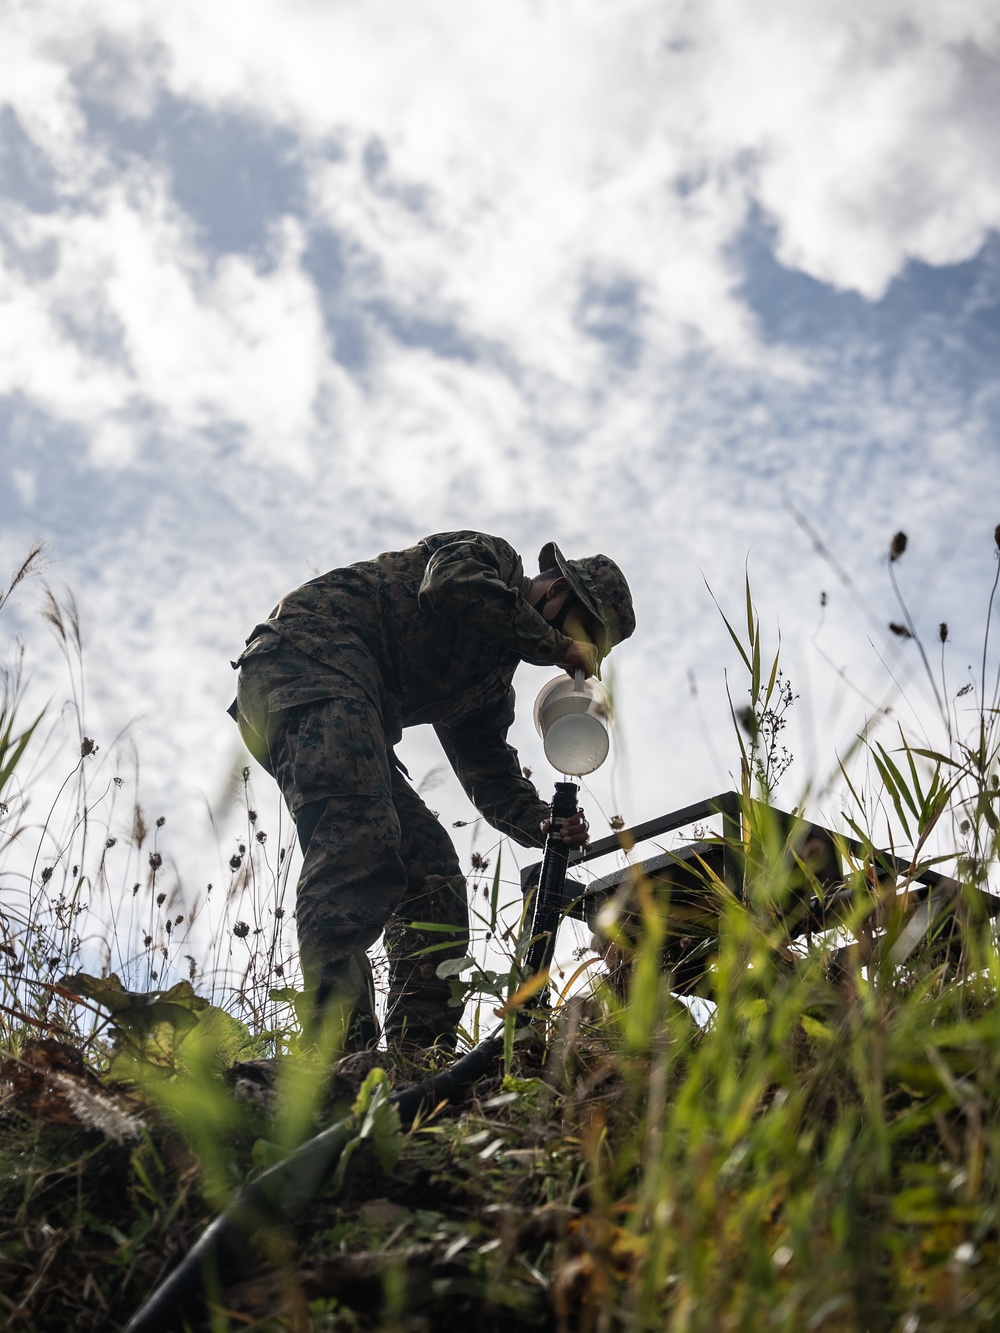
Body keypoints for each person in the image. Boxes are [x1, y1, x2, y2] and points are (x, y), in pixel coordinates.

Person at [229, 531, 635, 1052]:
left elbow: (489, 772)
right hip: (306, 661)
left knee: (432, 874)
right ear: (556, 592)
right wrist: (557, 646)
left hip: (345, 708)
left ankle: (415, 1056)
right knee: (358, 841)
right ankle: (333, 1053)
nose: (574, 653)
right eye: (583, 633)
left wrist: (540, 822)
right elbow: (447, 585)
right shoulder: (490, 562)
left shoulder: (487, 685)